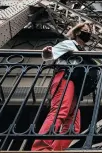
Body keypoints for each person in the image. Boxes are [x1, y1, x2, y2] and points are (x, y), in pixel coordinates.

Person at [32, 22, 98, 151]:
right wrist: (47, 52)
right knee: (60, 111)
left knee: (74, 125)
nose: (88, 33)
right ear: (77, 32)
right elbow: (50, 55)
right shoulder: (69, 44)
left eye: (89, 31)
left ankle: (56, 149)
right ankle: (40, 148)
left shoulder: (82, 49)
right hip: (66, 78)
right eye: (85, 30)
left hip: (76, 85)